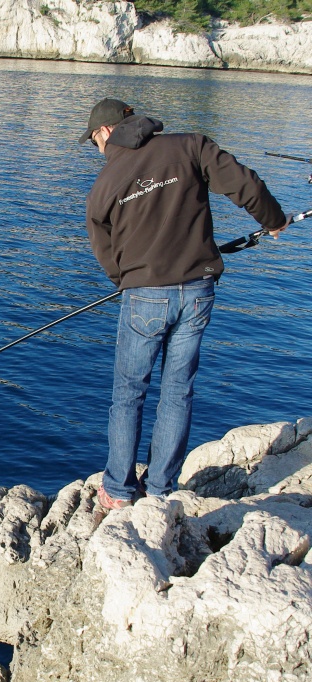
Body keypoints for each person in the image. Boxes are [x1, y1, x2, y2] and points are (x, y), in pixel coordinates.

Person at [79, 98, 289, 509]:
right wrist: (273, 220)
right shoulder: (190, 146)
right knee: (178, 391)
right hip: (197, 290)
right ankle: (159, 488)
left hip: (143, 297)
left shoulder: (105, 184)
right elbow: (243, 182)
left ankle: (119, 490)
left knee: (128, 394)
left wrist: (126, 279)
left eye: (93, 141)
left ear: (104, 132)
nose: (96, 149)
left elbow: (103, 246)